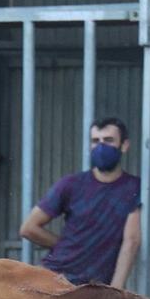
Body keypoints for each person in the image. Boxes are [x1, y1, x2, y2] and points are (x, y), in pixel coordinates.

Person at [20, 117, 141, 288]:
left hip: (92, 288)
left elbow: (132, 240)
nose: (101, 146)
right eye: (95, 141)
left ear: (125, 145)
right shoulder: (71, 184)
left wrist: (116, 289)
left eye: (108, 140)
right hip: (54, 278)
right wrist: (69, 246)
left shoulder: (134, 188)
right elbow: (28, 228)